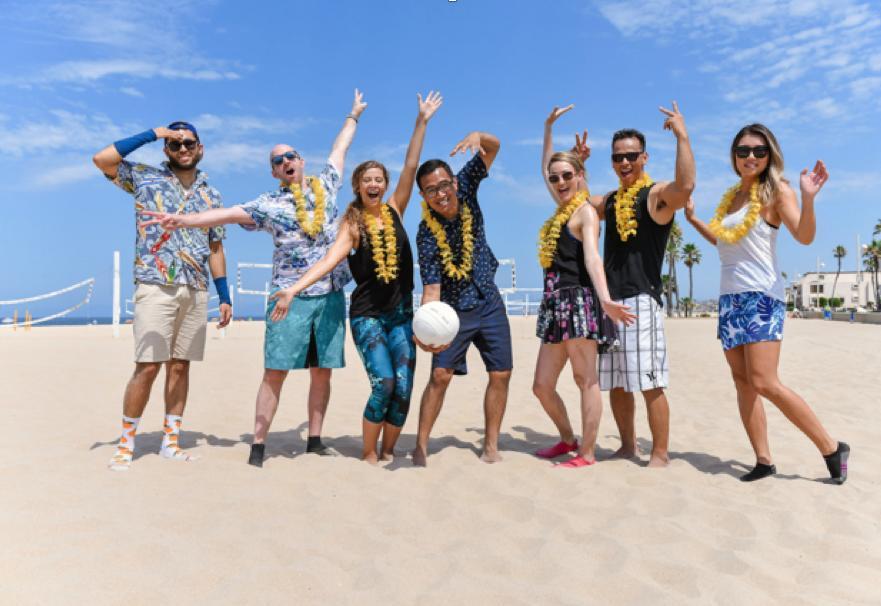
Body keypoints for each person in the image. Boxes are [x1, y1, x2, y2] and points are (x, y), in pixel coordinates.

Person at [142, 90, 366, 467]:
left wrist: (354, 115)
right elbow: (225, 214)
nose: (287, 161)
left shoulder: (326, 184)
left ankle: (314, 439)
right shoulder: (268, 204)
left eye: (291, 155)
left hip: (329, 294)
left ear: (301, 160)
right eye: (279, 160)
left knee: (322, 374)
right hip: (287, 298)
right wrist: (182, 220)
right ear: (275, 172)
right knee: (275, 372)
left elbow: (340, 148)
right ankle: (258, 445)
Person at [269, 91, 443, 464]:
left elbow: (411, 166)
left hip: (402, 316)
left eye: (379, 178)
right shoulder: (352, 223)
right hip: (368, 316)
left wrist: (421, 122)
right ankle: (368, 452)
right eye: (368, 179)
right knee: (385, 382)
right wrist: (293, 290)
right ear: (358, 187)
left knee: (405, 386)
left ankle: (389, 449)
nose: (374, 183)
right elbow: (329, 262)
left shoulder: (396, 208)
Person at [684, 123, 849, 483]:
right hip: (730, 299)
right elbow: (725, 243)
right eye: (743, 151)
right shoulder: (732, 198)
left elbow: (804, 237)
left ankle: (831, 447)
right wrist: (694, 218)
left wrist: (807, 198)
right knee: (742, 382)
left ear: (770, 154)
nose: (751, 157)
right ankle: (763, 460)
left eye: (759, 151)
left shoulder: (777, 191)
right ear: (734, 156)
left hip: (761, 296)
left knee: (765, 381)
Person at [92, 121, 232, 471]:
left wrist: (224, 295)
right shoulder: (144, 178)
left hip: (196, 286)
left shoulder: (211, 194)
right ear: (167, 150)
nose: (183, 149)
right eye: (176, 144)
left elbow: (215, 246)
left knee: (180, 367)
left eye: (189, 143)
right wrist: (154, 134)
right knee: (148, 365)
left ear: (200, 149)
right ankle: (126, 444)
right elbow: (102, 159)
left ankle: (171, 441)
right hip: (155, 283)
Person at [532, 105, 636, 468]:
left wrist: (605, 299)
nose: (559, 182)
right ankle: (566, 439)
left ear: (579, 176)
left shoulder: (584, 212)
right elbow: (546, 165)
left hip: (578, 301)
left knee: (584, 378)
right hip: (553, 304)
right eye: (555, 178)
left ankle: (588, 453)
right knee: (542, 385)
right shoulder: (561, 209)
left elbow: (592, 257)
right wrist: (547, 128)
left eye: (566, 176)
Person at [593, 102, 696, 468]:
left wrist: (683, 136)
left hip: (641, 302)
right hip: (610, 302)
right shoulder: (610, 200)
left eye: (631, 156)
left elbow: (684, 187)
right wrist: (574, 161)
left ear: (644, 157)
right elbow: (573, 200)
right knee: (618, 382)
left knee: (650, 382)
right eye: (618, 157)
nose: (624, 163)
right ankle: (626, 445)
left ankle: (660, 452)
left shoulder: (654, 196)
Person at [412, 129, 508, 466]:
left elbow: (495, 148)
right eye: (431, 191)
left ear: (453, 181)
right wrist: (425, 331)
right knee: (440, 376)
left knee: (501, 374)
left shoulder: (466, 186)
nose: (440, 194)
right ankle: (421, 445)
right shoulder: (425, 233)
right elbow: (431, 288)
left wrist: (479, 136)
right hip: (453, 311)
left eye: (443, 185)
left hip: (489, 298)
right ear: (423, 196)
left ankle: (491, 444)